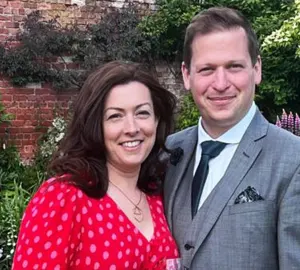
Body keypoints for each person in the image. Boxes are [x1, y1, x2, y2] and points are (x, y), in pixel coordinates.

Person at [163, 7, 300, 269]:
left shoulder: (299, 161)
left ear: (256, 69)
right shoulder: (167, 153)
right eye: (207, 69)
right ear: (187, 75)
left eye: (234, 66)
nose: (220, 83)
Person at [12, 61, 180, 270]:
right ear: (95, 126)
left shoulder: (159, 195)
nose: (132, 128)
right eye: (115, 116)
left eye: (142, 113)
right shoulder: (64, 198)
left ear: (156, 120)